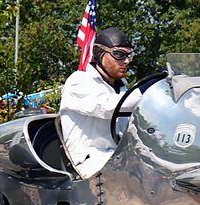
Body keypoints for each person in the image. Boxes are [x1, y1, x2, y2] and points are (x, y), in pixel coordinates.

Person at [59, 27, 140, 178]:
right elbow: (108, 107)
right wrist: (145, 91)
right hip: (90, 161)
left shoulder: (122, 87)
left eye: (129, 55)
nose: (127, 61)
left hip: (118, 158)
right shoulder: (78, 81)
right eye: (119, 54)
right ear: (99, 53)